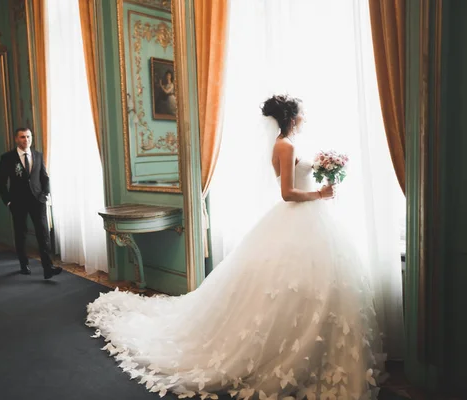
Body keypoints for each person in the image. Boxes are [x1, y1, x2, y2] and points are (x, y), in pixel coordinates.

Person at [86, 95, 386, 399]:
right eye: (302, 112)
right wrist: (320, 195)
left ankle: (313, 351)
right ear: (291, 117)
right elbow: (286, 193)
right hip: (299, 216)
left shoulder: (286, 143)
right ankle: (295, 353)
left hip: (307, 220)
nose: (305, 116)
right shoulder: (286, 145)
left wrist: (323, 175)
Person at [0, 128, 62, 280]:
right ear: (16, 139)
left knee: (43, 233)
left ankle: (48, 268)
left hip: (37, 200)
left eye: (28, 137)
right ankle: (23, 264)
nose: (26, 140)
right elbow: (1, 182)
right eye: (22, 137)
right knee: (21, 233)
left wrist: (45, 194)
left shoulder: (38, 155)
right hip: (17, 201)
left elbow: (44, 177)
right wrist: (8, 201)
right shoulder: (7, 158)